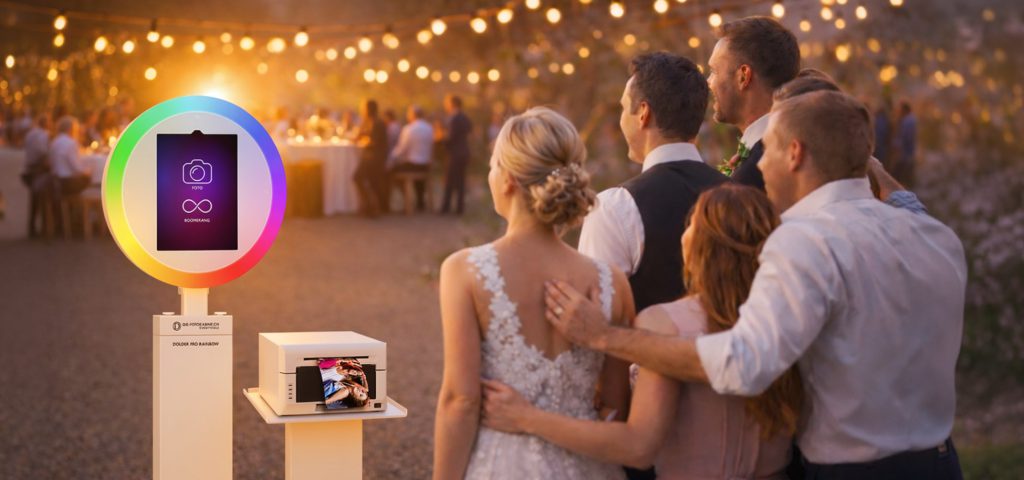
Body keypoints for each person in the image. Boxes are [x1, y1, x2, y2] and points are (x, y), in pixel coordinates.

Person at [541, 91, 968, 480]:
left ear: (795, 153)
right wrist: (866, 165)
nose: (759, 165)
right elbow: (902, 203)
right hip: (942, 464)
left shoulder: (804, 241)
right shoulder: (933, 234)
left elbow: (742, 365)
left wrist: (605, 335)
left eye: (769, 151)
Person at [481, 184, 800, 479]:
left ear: (701, 244)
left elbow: (638, 449)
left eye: (691, 223)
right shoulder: (787, 319)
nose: (684, 232)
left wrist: (525, 417)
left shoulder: (663, 325)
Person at [432, 107, 633, 480]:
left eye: (493, 165)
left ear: (507, 179)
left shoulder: (464, 271)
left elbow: (460, 400)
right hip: (589, 465)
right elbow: (614, 405)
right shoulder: (612, 282)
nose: (490, 174)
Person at [579, 52, 728, 480]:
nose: (622, 119)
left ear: (642, 113)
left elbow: (599, 332)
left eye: (623, 108)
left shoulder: (615, 207)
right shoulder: (737, 196)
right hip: (729, 414)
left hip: (647, 432)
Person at [708, 16, 800, 189]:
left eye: (714, 71)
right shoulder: (796, 143)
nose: (708, 82)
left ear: (743, 76)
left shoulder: (758, 171)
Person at [388, 105, 435, 211]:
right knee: (415, 169)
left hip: (412, 164)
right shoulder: (429, 128)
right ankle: (420, 202)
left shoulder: (409, 129)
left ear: (413, 115)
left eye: (408, 114)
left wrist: (390, 158)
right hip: (425, 165)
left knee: (392, 171)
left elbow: (401, 149)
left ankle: (407, 200)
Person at [352, 99, 390, 217]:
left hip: (374, 158)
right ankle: (371, 206)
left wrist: (363, 141)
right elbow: (362, 136)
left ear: (368, 110)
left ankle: (370, 206)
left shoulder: (378, 123)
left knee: (358, 177)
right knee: (370, 181)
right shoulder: (370, 122)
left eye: (363, 108)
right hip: (371, 157)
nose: (362, 111)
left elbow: (373, 142)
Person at [439, 95, 473, 215]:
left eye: (447, 103)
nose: (445, 106)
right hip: (464, 152)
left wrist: (441, 140)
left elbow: (450, 137)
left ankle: (446, 207)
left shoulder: (453, 118)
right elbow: (470, 131)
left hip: (455, 153)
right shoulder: (465, 117)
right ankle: (459, 208)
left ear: (452, 104)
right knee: (460, 181)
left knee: (449, 181)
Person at [50, 116, 91, 196]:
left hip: (56, 180)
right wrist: (87, 172)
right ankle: (85, 205)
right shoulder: (71, 142)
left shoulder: (54, 142)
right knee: (90, 178)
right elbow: (76, 167)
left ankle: (75, 206)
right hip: (68, 182)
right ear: (71, 129)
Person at [895, 101, 918, 187]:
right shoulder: (912, 119)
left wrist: (896, 144)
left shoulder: (907, 121)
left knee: (903, 174)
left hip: (905, 153)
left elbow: (906, 137)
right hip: (909, 152)